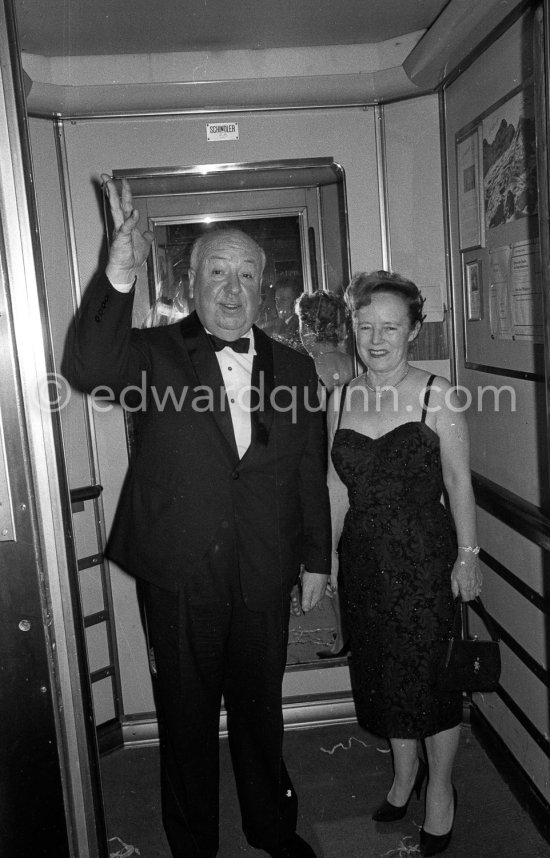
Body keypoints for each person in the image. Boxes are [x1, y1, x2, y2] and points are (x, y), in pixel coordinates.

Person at [72, 176, 331, 858]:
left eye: (248, 273)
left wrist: (317, 560)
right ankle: (193, 844)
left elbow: (308, 469)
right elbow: (89, 364)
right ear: (190, 282)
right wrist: (119, 271)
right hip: (181, 575)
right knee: (185, 722)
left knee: (261, 715)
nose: (232, 286)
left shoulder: (298, 370)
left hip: (265, 572)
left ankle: (271, 828)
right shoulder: (154, 355)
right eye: (217, 270)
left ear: (265, 289)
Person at [328, 270, 482, 857]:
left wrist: (468, 555)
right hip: (363, 559)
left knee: (431, 679)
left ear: (413, 330)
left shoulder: (436, 393)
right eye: (365, 325)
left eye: (390, 326)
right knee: (384, 675)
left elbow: (457, 481)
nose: (376, 337)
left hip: (425, 558)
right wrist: (322, 564)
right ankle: (402, 777)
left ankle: (439, 790)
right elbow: (333, 486)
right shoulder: (339, 396)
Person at [296, 291, 354, 656]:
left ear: (308, 326)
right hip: (351, 471)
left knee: (326, 557)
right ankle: (347, 636)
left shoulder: (307, 370)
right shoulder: (355, 365)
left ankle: (335, 635)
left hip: (319, 474)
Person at [271, 277, 302, 349]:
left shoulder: (300, 327)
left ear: (295, 302)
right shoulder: (278, 324)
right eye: (276, 300)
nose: (278, 304)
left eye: (283, 300)